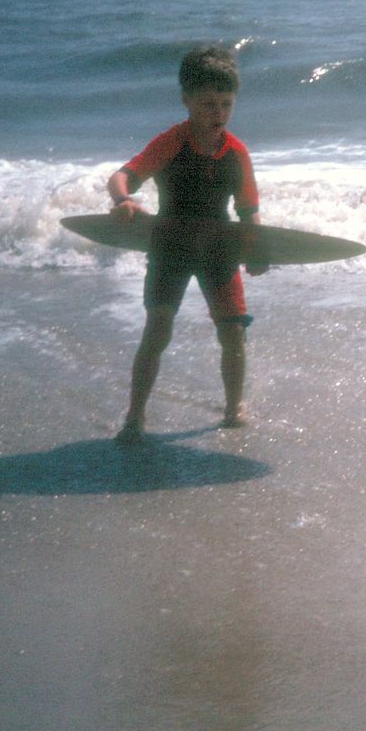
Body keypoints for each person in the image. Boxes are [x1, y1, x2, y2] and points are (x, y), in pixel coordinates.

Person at [108, 45, 266, 444]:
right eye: (208, 104)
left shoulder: (238, 154)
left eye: (226, 104)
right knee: (157, 330)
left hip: (219, 249)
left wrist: (257, 250)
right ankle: (134, 416)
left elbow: (249, 211)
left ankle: (233, 410)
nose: (218, 113)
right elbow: (122, 177)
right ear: (186, 100)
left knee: (233, 334)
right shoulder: (170, 142)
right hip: (171, 247)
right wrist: (123, 200)